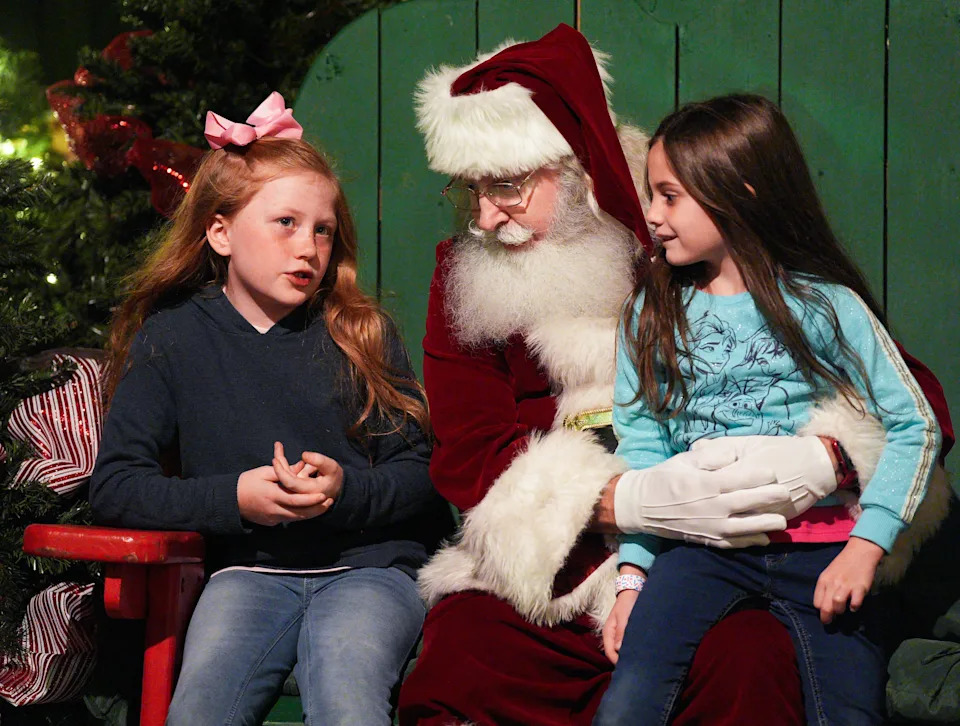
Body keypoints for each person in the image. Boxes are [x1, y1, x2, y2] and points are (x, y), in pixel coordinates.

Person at [398, 23, 955, 726]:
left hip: (739, 547)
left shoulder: (680, 219)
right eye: (467, 189)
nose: (485, 215)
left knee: (751, 658)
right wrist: (623, 506)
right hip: (565, 564)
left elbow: (910, 395)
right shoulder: (464, 275)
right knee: (465, 652)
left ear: (572, 168)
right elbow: (470, 451)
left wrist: (827, 458)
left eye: (506, 185)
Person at [88, 92, 451, 725]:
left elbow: (422, 473)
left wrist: (346, 492)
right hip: (246, 573)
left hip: (370, 571)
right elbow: (117, 488)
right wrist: (235, 500)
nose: (308, 246)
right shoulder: (173, 339)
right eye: (285, 223)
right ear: (220, 231)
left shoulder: (360, 331)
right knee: (202, 706)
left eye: (323, 229)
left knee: (346, 687)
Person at [593, 94, 942, 725]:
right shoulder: (650, 314)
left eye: (670, 195)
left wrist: (867, 545)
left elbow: (914, 424)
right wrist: (632, 580)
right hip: (697, 552)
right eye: (652, 194)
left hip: (824, 553)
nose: (652, 214)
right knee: (627, 705)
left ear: (740, 191)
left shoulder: (826, 305)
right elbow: (644, 448)